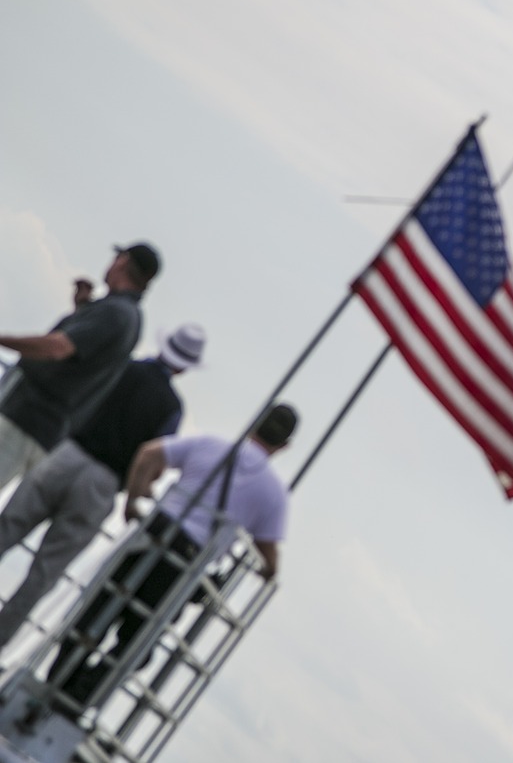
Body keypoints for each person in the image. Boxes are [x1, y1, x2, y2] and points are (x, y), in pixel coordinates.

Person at [51, 403, 296, 706]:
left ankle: (57, 679)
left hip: (154, 535)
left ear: (256, 421)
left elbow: (149, 453)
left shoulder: (210, 445)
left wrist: (133, 500)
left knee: (97, 610)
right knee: (137, 641)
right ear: (284, 446)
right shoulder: (274, 494)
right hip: (185, 566)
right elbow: (267, 548)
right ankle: (79, 696)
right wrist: (269, 571)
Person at [0, 324, 207, 649]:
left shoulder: (124, 367)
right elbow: (153, 459)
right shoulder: (171, 408)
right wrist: (135, 496)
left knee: (6, 529)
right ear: (184, 367)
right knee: (43, 574)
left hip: (67, 454)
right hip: (104, 483)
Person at [0, 244, 159, 489]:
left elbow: (58, 348)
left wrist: (3, 339)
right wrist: (83, 310)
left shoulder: (115, 312)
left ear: (123, 262)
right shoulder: (129, 317)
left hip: (27, 417)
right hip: (45, 427)